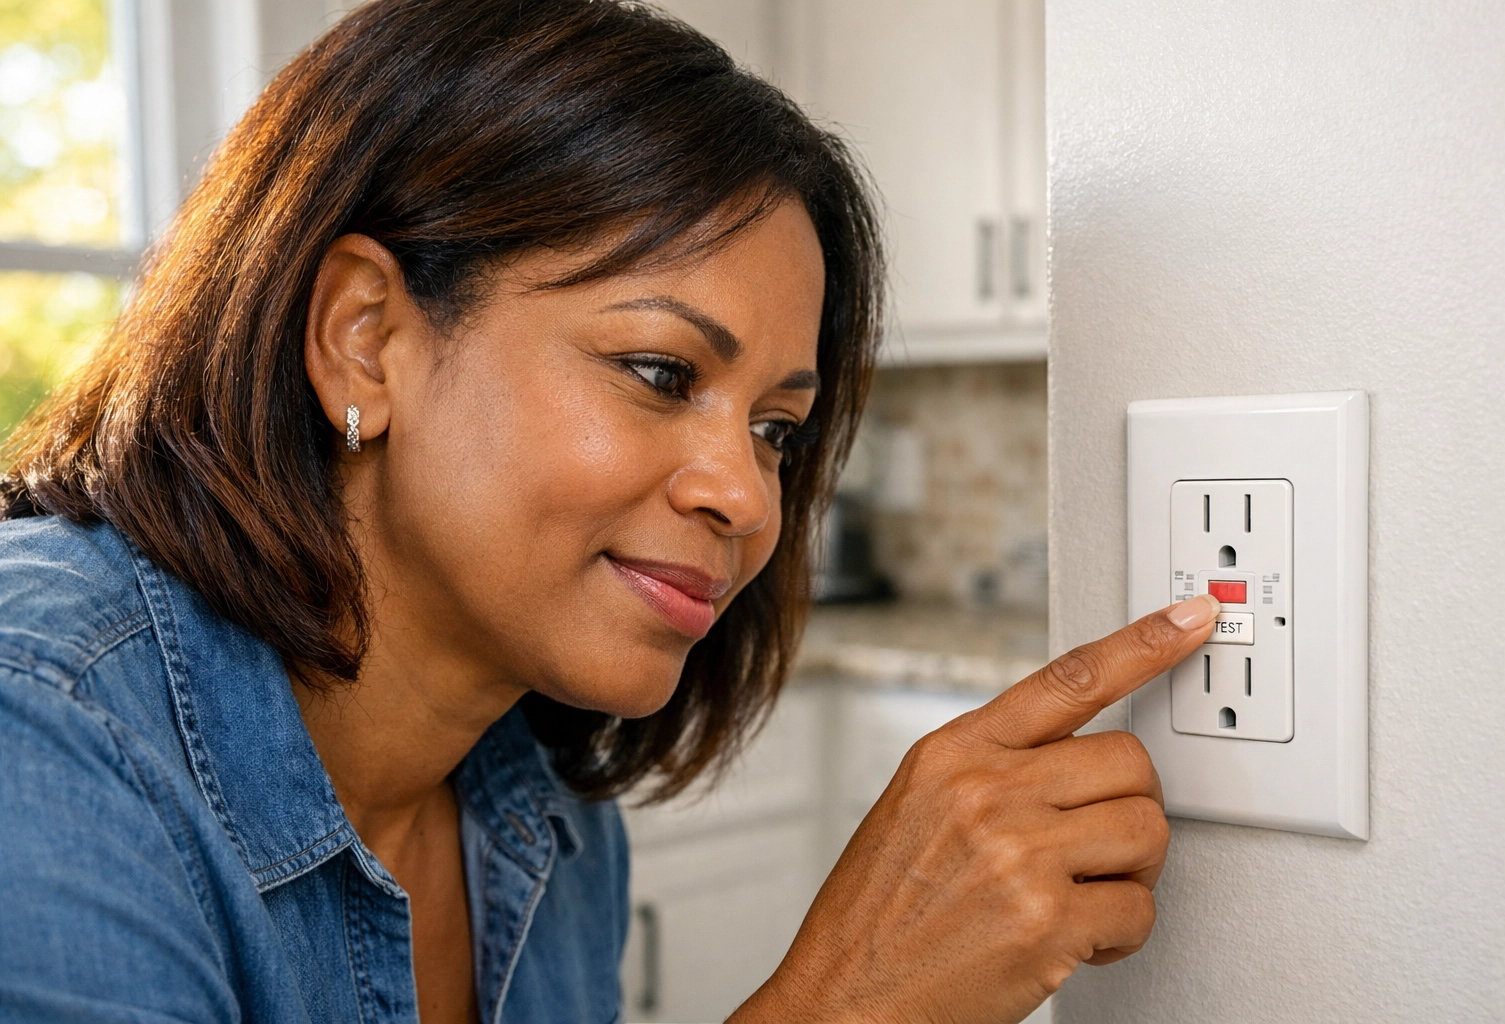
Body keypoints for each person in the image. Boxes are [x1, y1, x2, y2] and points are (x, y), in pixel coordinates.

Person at [0, 2, 1221, 1022]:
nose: (746, 498)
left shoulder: (548, 827)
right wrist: (848, 1001)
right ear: (365, 340)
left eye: (777, 430)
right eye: (660, 372)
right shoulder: (41, 733)